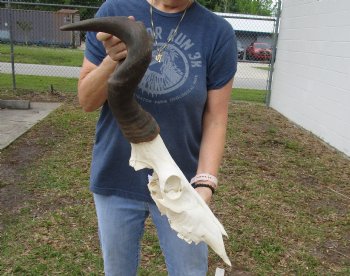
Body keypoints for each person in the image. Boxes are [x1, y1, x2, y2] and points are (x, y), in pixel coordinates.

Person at [78, 0, 237, 275]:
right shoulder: (114, 11)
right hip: (116, 176)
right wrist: (112, 60)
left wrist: (205, 183)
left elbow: (215, 119)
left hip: (180, 184)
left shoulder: (217, 32)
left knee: (190, 271)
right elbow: (87, 100)